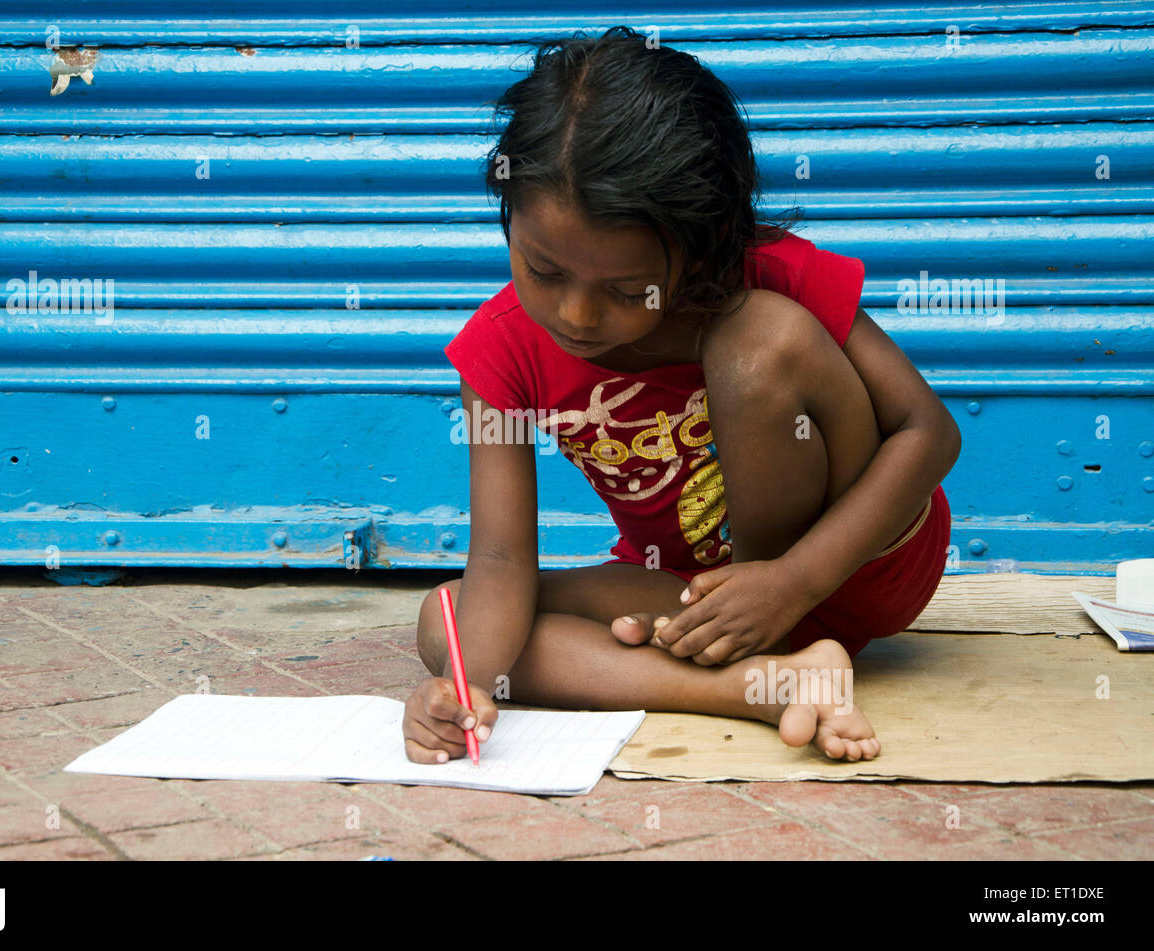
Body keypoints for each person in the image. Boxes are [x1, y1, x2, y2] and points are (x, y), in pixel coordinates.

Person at [403, 26, 959, 765]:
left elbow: (928, 431)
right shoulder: (499, 350)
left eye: (627, 290)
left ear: (704, 239)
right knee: (447, 625)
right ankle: (770, 681)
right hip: (689, 592)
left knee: (755, 342)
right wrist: (466, 691)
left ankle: (767, 639)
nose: (575, 316)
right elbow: (502, 557)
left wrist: (789, 582)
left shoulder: (767, 277)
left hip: (857, 562)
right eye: (543, 271)